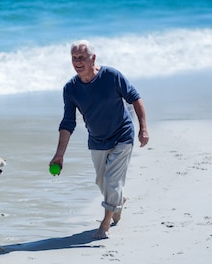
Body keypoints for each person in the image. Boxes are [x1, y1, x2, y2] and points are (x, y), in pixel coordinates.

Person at [50, 40, 149, 239]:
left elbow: (135, 97)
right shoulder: (71, 89)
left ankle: (105, 225)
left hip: (123, 133)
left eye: (81, 58)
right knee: (102, 182)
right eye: (74, 58)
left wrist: (143, 129)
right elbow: (68, 122)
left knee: (112, 181)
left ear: (93, 58)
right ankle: (118, 200)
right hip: (97, 139)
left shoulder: (111, 76)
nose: (77, 62)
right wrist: (59, 155)